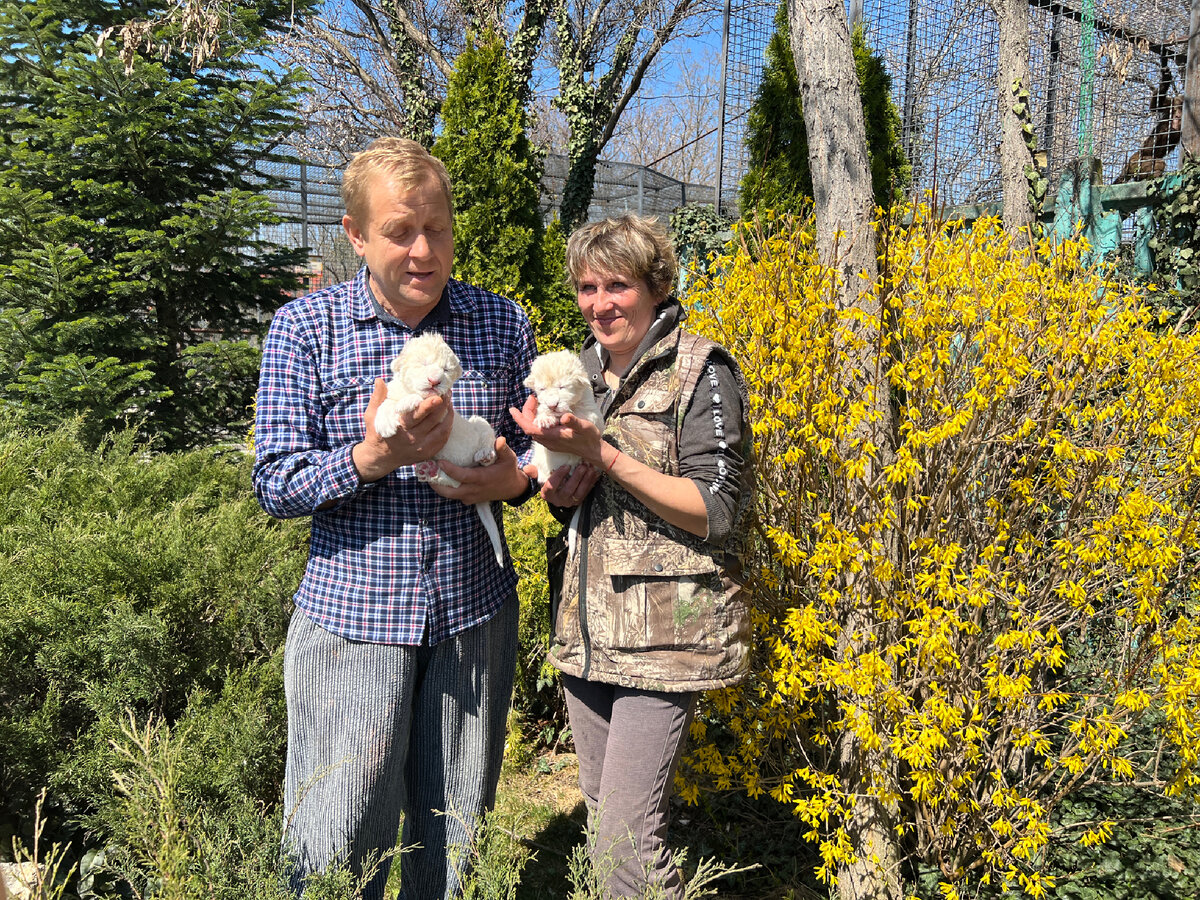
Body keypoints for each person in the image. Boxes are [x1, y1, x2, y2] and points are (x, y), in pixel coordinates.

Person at [252, 137, 538, 900]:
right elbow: (275, 482)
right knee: (336, 842)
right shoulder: (305, 330)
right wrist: (368, 461)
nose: (423, 250)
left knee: (455, 836)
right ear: (354, 235)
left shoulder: (501, 324)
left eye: (437, 228)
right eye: (399, 232)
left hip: (472, 618)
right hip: (353, 623)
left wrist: (511, 482)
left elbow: (527, 461)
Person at [511, 214, 755, 897]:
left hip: (665, 636)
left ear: (654, 287)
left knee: (627, 838)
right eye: (588, 287)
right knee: (604, 823)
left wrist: (605, 457)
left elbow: (718, 510)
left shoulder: (700, 370)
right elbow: (571, 504)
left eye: (616, 284)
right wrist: (562, 486)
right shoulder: (580, 374)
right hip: (587, 634)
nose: (599, 303)